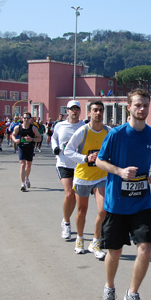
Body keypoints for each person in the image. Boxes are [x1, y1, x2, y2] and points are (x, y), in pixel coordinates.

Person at [95, 88, 151, 300]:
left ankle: (132, 293)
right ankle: (109, 289)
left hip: (143, 203)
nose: (142, 109)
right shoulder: (116, 134)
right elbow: (100, 162)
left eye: (145, 104)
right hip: (117, 205)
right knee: (114, 252)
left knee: (145, 247)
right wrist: (119, 171)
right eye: (138, 105)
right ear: (129, 107)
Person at [64, 101, 109, 258]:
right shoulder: (83, 131)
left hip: (101, 176)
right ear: (89, 113)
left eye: (101, 110)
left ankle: (95, 242)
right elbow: (67, 150)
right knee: (82, 211)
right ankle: (80, 238)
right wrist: (85, 158)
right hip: (83, 177)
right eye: (95, 110)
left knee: (103, 210)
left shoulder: (107, 131)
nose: (98, 113)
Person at [51, 100, 84, 240]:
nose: (74, 111)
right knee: (69, 194)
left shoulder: (84, 126)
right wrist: (55, 148)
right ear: (67, 111)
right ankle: (66, 222)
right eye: (72, 109)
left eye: (77, 109)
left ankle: (66, 218)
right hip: (63, 163)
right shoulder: (60, 125)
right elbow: (54, 138)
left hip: (78, 165)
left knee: (75, 197)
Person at [12, 112, 41, 192]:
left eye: (28, 118)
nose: (26, 119)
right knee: (22, 164)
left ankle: (27, 178)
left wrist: (31, 139)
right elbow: (13, 135)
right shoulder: (18, 127)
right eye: (24, 118)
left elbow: (39, 138)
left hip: (30, 147)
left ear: (30, 119)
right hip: (21, 147)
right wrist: (15, 140)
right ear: (22, 118)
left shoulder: (33, 128)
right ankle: (22, 183)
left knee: (28, 165)